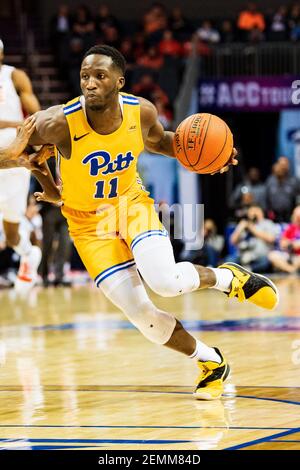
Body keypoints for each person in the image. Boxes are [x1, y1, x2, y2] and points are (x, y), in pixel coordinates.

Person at [29, 45, 278, 400]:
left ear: (119, 81)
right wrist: (50, 187)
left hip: (130, 206)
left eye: (100, 76)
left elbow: (161, 141)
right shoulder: (58, 122)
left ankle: (228, 277)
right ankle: (211, 361)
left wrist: (214, 156)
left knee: (165, 281)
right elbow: (23, 153)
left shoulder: (140, 111)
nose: (90, 83)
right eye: (85, 76)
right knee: (143, 318)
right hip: (87, 226)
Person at [0, 39, 42, 292]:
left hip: (13, 159)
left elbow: (35, 116)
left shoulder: (14, 76)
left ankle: (28, 253)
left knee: (12, 233)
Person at [227, 205, 279, 273]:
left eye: (256, 211)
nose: (253, 213)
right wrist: (239, 228)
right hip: (242, 256)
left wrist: (252, 229)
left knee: (265, 262)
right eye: (251, 211)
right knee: (229, 261)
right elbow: (232, 241)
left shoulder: (267, 223)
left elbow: (271, 239)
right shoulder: (244, 224)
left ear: (261, 212)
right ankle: (244, 271)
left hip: (260, 257)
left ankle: (246, 271)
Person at [269, 206, 300, 274]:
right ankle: (292, 270)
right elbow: (282, 243)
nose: (297, 219)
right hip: (288, 255)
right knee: (272, 255)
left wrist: (292, 244)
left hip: (298, 257)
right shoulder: (290, 227)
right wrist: (293, 244)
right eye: (296, 216)